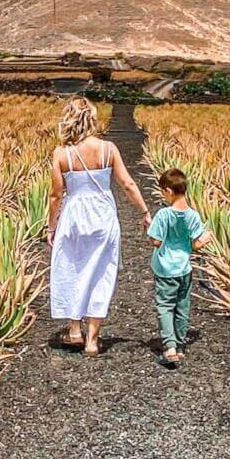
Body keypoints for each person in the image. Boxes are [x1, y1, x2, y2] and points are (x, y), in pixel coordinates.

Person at [48, 98, 150, 356]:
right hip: (103, 215)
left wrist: (51, 227)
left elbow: (56, 195)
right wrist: (145, 212)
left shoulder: (61, 154)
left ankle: (74, 330)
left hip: (74, 216)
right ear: (92, 119)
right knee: (102, 272)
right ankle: (93, 340)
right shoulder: (108, 148)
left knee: (72, 267)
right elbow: (128, 184)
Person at [147, 167, 212, 368]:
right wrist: (206, 239)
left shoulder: (163, 215)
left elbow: (156, 242)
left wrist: (148, 229)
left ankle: (170, 347)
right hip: (184, 268)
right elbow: (195, 244)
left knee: (165, 306)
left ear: (168, 190)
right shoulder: (193, 216)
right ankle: (181, 345)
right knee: (182, 306)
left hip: (165, 268)